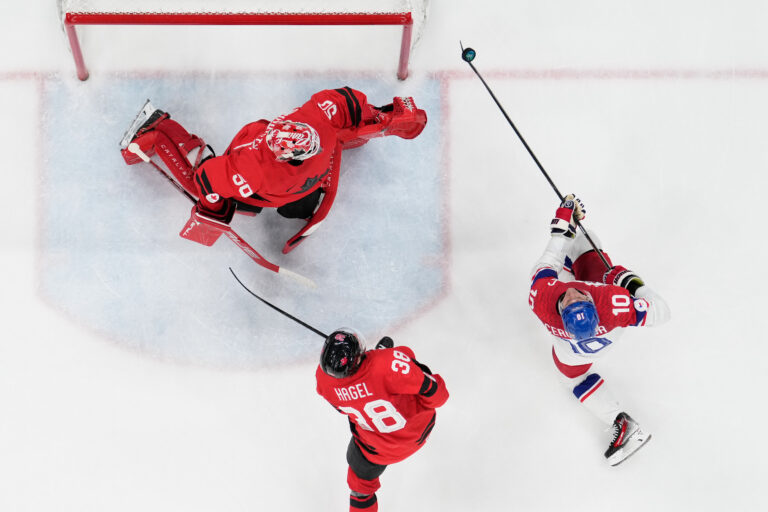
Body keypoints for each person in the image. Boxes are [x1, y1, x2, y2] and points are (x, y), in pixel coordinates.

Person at [119, 87, 427, 253]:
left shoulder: (254, 169)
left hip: (266, 190)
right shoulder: (319, 118)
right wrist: (382, 117)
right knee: (293, 204)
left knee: (197, 182)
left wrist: (212, 209)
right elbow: (350, 104)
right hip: (308, 183)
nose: (272, 141)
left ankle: (159, 130)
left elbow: (207, 181)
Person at [528, 194, 671, 466]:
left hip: (573, 352)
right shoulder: (613, 304)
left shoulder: (542, 299)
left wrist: (564, 223)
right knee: (587, 245)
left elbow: (551, 256)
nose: (573, 294)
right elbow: (662, 312)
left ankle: (618, 419)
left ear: (561, 314)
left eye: (570, 300)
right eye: (578, 299)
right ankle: (624, 424)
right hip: (609, 331)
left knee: (572, 379)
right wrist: (630, 282)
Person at [316, 330, 448, 511]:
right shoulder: (389, 364)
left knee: (360, 489)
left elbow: (360, 389)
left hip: (374, 449)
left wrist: (375, 363)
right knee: (405, 354)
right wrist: (389, 358)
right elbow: (440, 396)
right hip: (419, 429)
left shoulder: (324, 384)